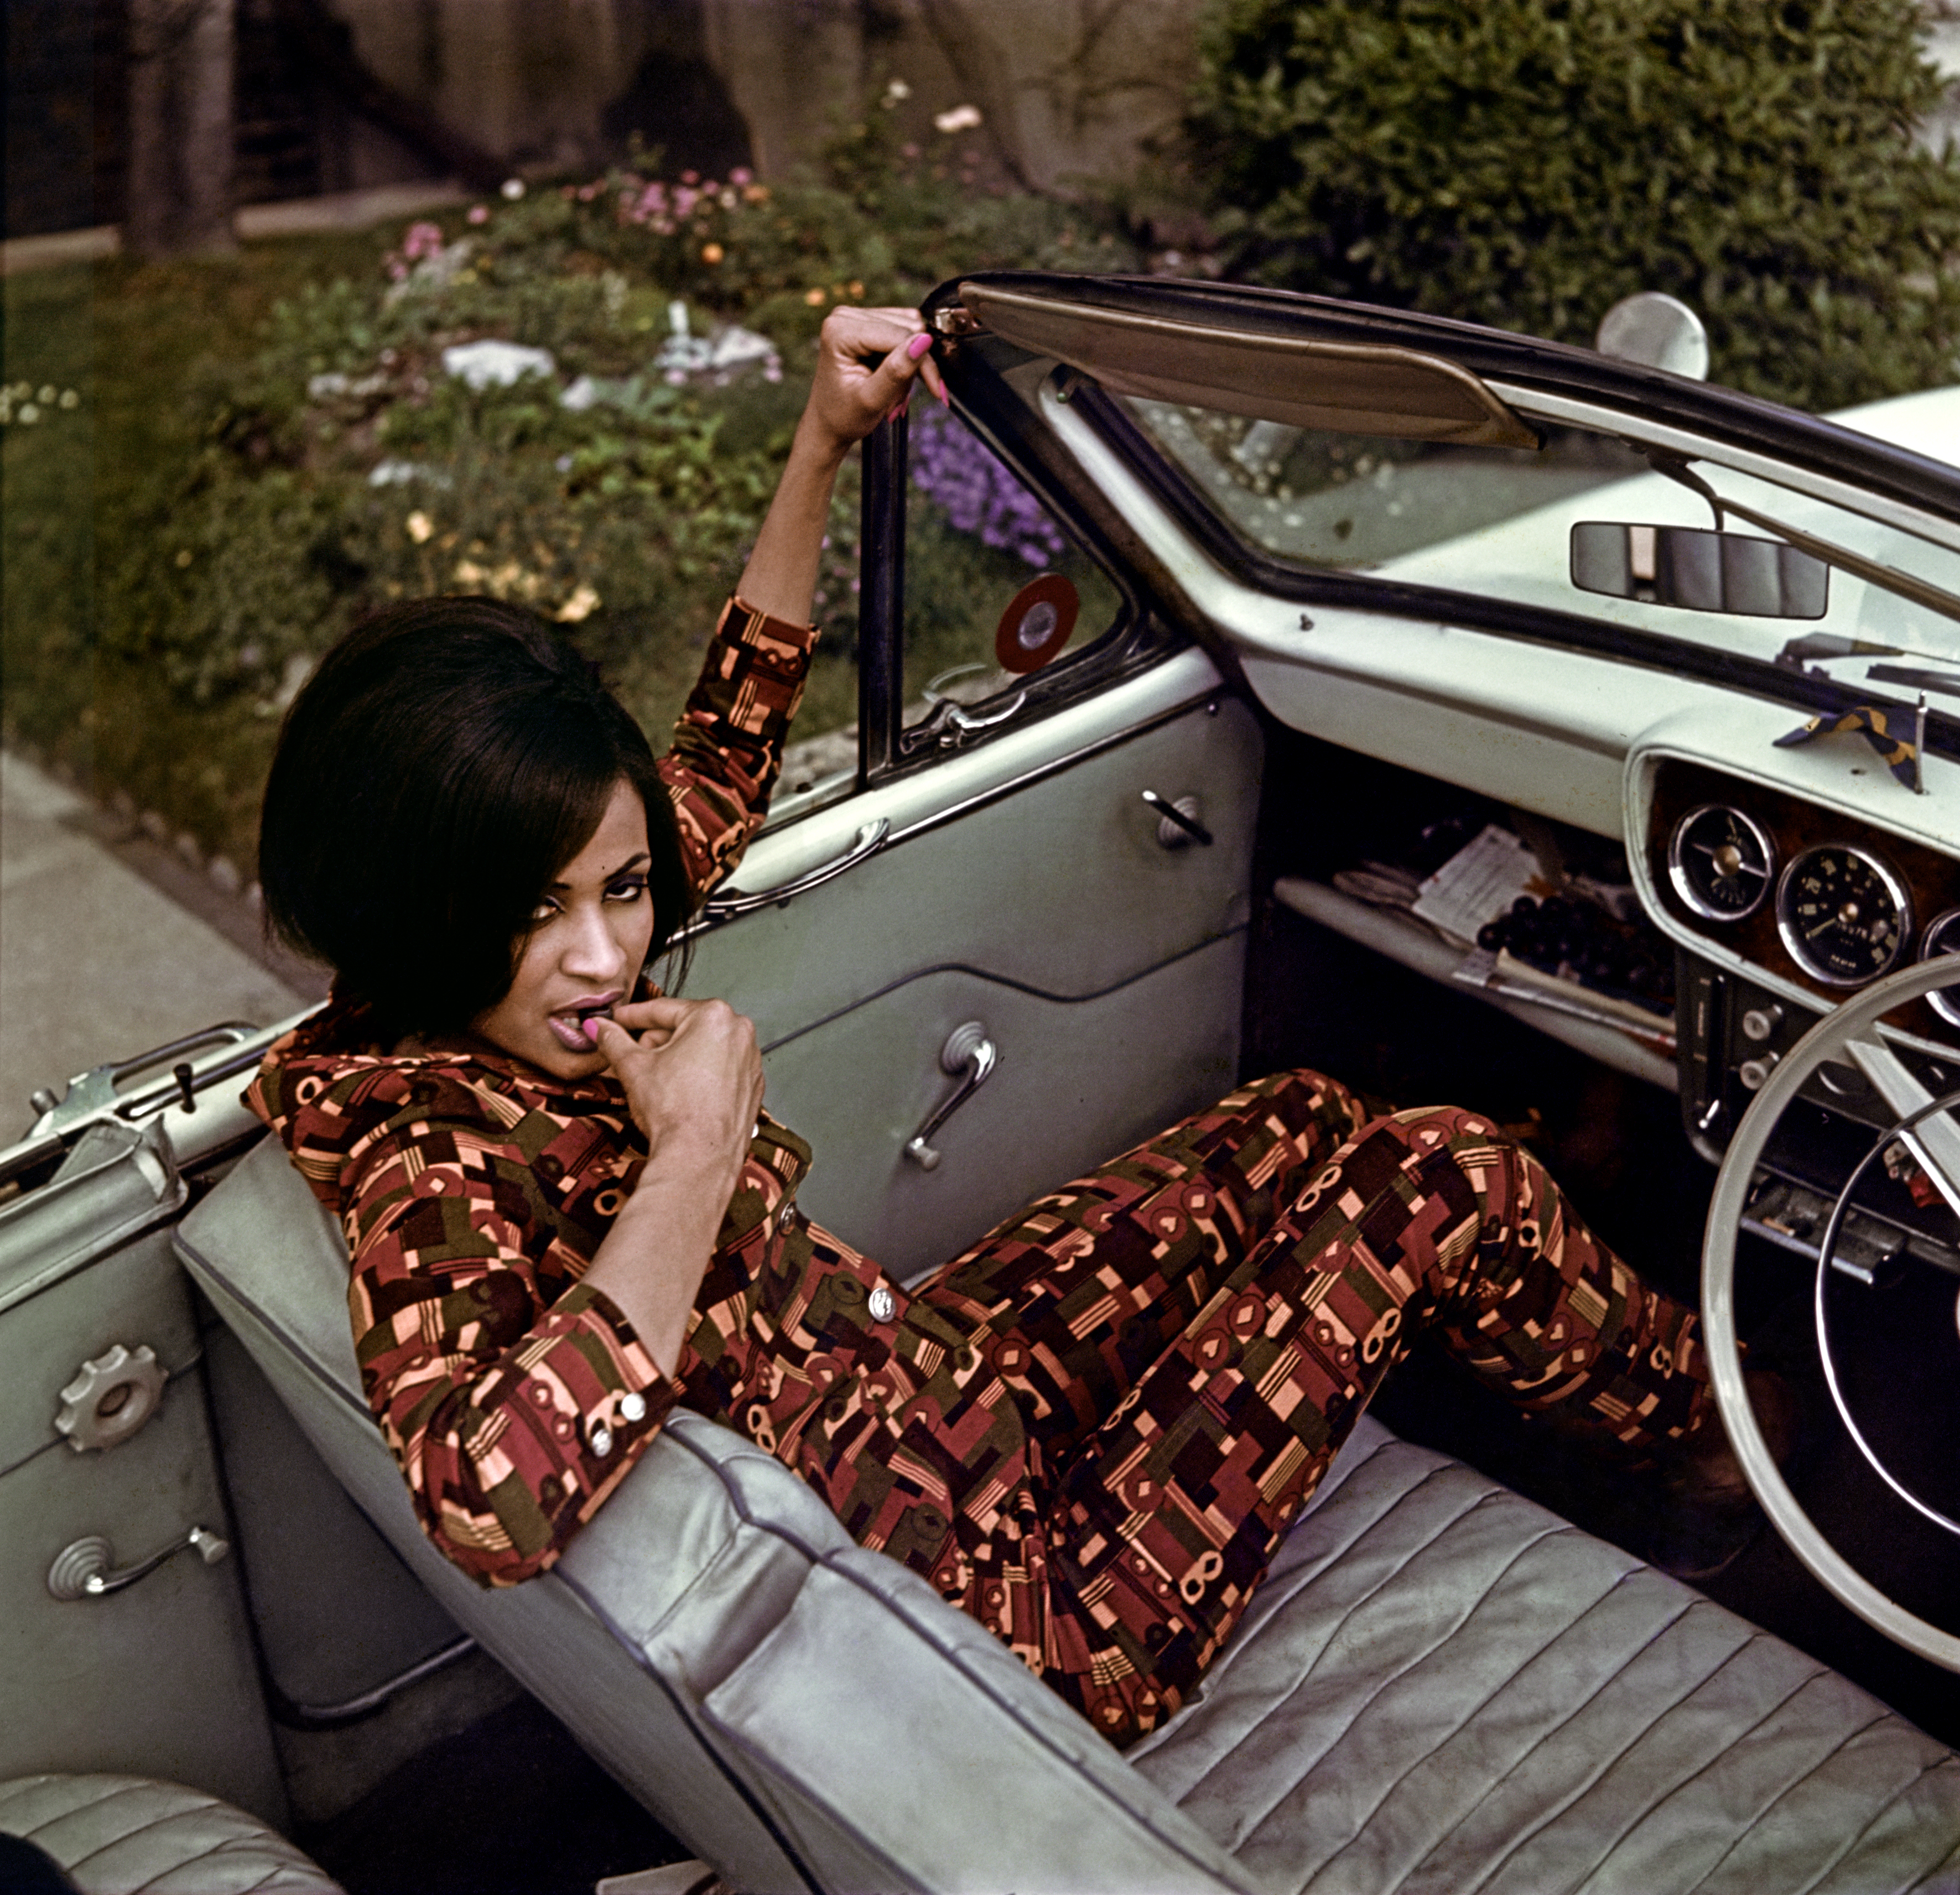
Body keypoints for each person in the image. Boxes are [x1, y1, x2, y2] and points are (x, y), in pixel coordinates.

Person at [248, 306, 1767, 1747]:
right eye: (536, 911)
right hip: (1043, 1609)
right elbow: (488, 1499)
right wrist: (696, 1153)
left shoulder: (498, 985)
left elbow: (719, 757)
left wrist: (820, 443)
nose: (599, 953)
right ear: (415, 909)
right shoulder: (424, 1151)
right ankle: (1722, 1438)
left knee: (1303, 1115)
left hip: (947, 1396)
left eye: (625, 887)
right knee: (1444, 1182)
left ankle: (1560, 1267)